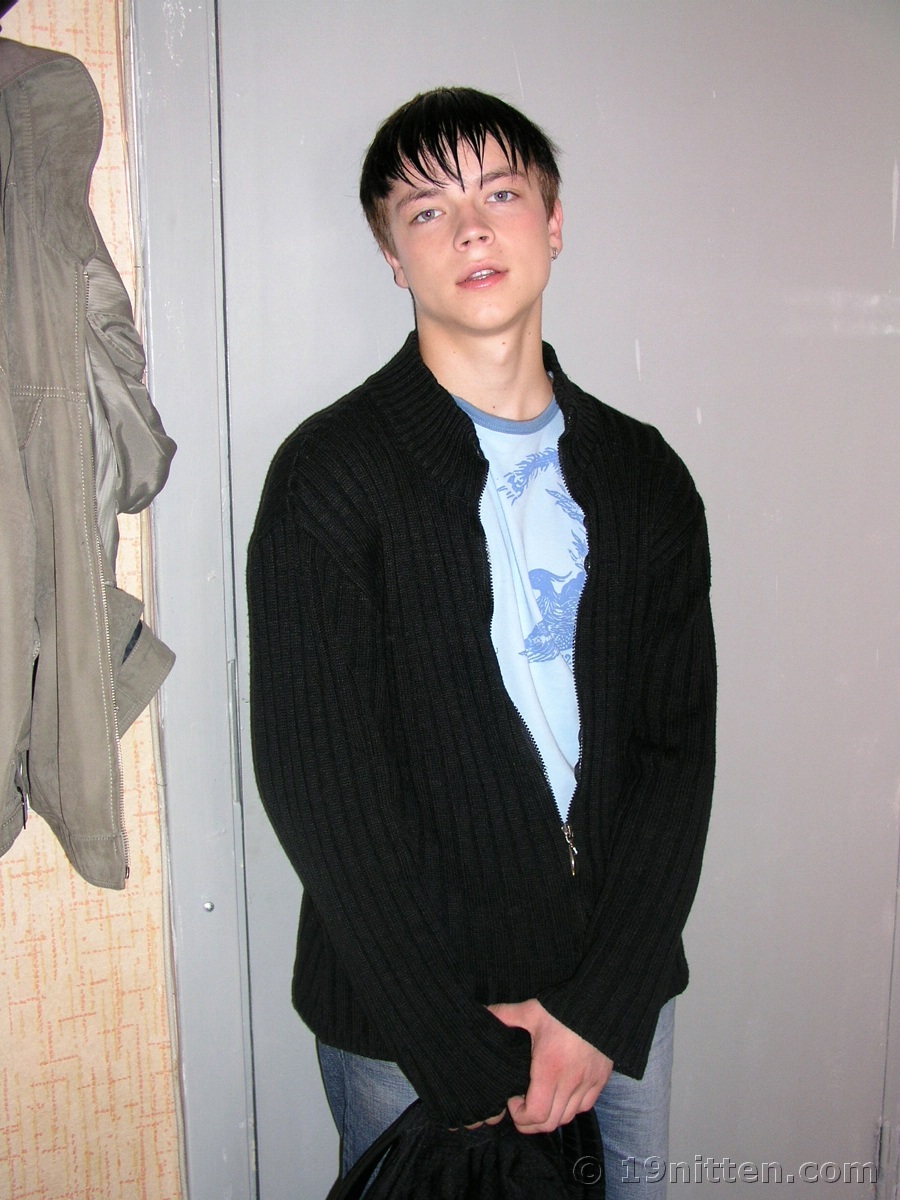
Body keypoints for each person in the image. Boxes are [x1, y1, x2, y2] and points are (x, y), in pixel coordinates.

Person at [247, 86, 716, 1198]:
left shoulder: (644, 477)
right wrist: (452, 1047)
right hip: (408, 1034)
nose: (469, 229)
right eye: (427, 209)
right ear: (391, 254)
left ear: (553, 222)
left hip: (616, 1009)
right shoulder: (330, 476)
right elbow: (321, 784)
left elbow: (674, 754)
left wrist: (601, 1009)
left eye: (500, 194)